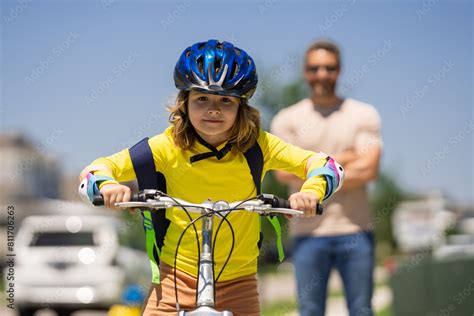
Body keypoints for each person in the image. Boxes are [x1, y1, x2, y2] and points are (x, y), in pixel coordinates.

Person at [79, 39, 344, 316]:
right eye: (201, 98)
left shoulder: (258, 146)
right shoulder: (165, 146)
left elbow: (328, 166)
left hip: (238, 281)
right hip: (175, 279)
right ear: (184, 103)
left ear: (242, 107)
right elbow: (93, 172)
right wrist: (109, 186)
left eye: (226, 100)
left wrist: (311, 191)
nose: (213, 109)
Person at [271, 40, 382, 316]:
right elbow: (283, 172)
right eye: (315, 68)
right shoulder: (287, 119)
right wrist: (343, 159)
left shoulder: (363, 114)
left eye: (329, 68)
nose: (322, 74)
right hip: (308, 234)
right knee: (309, 312)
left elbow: (369, 170)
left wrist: (310, 166)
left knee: (361, 311)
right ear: (305, 72)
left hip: (356, 231)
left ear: (339, 71)